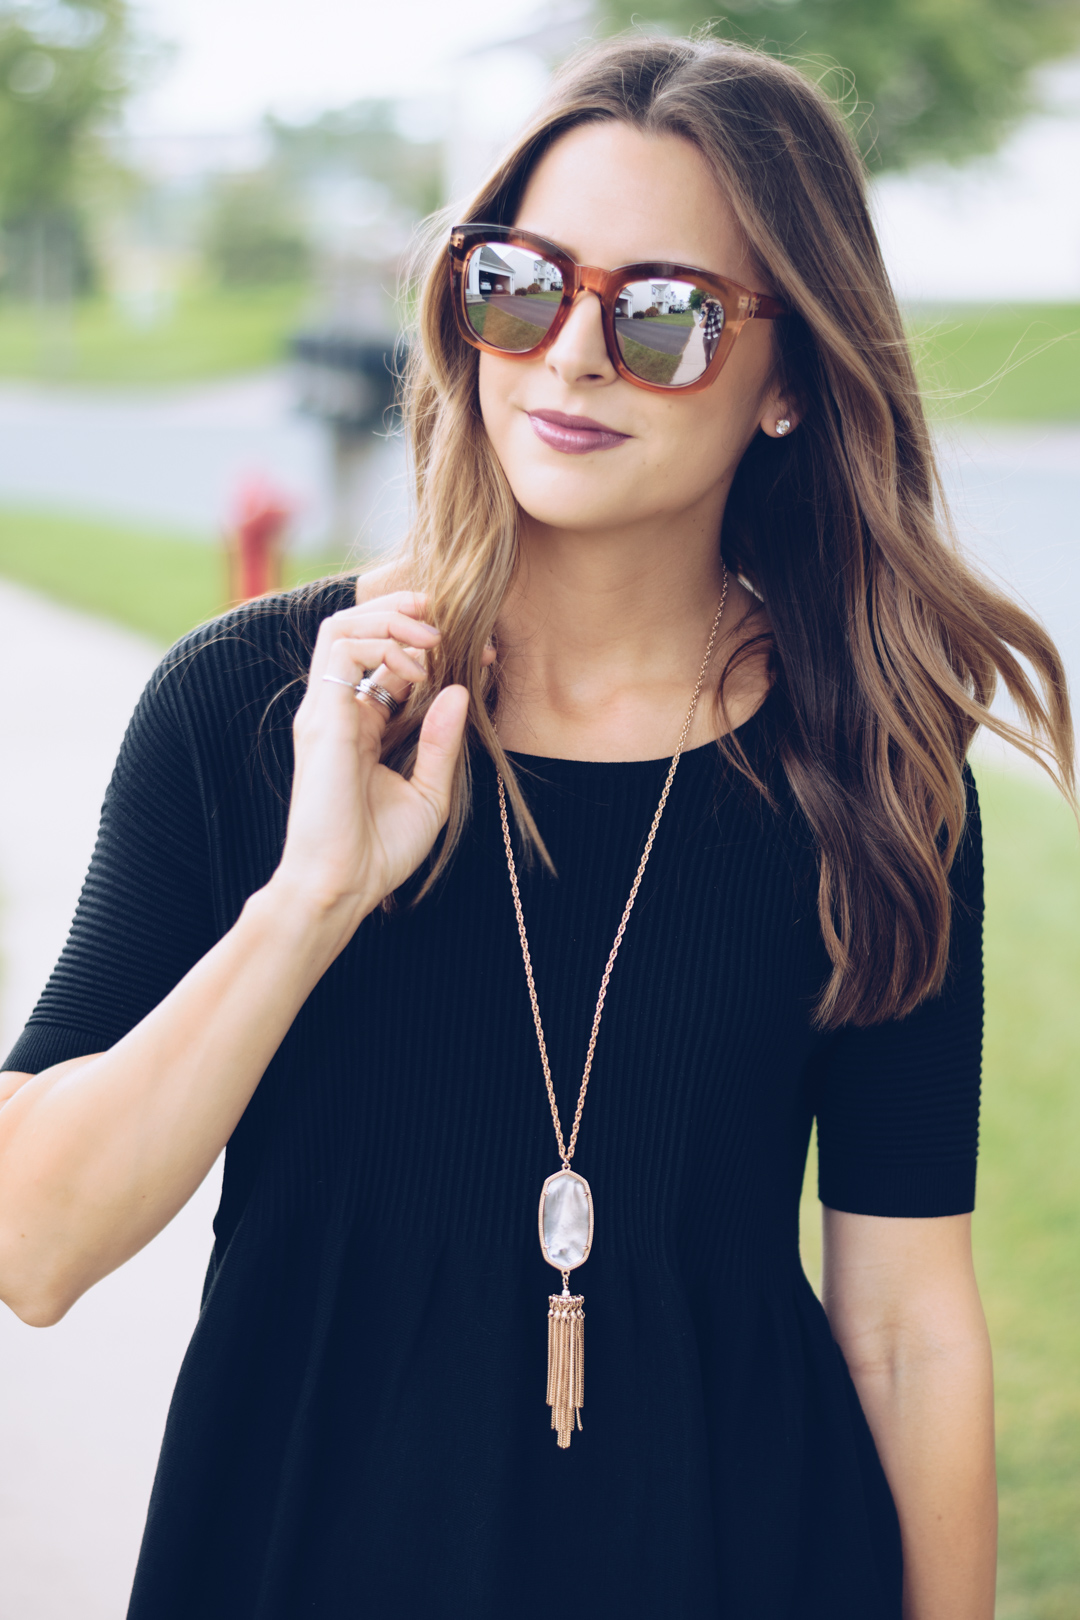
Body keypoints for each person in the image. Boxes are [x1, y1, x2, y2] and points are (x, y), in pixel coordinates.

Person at [0, 35, 1072, 1620]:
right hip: (307, 1547)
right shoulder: (253, 710)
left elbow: (907, 1325)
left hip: (738, 1557)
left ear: (788, 384)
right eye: (521, 281)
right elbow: (36, 1242)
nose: (570, 353)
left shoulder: (876, 776)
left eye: (661, 318)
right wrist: (311, 896)